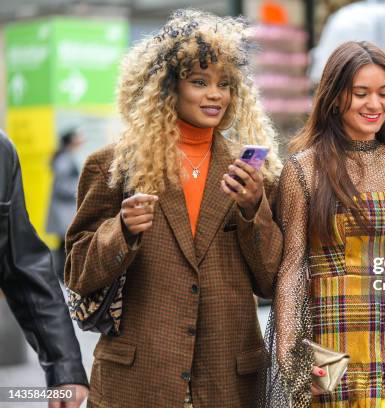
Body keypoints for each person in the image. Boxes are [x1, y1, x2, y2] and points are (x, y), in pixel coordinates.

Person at [64, 10, 283, 408]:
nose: (215, 95)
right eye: (199, 82)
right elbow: (78, 273)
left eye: (224, 84)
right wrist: (122, 230)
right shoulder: (113, 165)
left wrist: (255, 210)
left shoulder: (253, 171)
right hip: (139, 380)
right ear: (167, 88)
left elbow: (271, 282)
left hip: (227, 383)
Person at [263, 42, 385, 407]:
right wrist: (289, 353)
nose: (375, 104)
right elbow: (291, 267)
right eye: (361, 93)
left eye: (384, 93)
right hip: (334, 347)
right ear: (336, 98)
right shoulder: (303, 170)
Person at [0, 130, 89, 408]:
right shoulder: (65, 159)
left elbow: (23, 264)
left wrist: (65, 367)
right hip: (64, 214)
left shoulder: (2, 152)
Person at [47, 129, 84, 281]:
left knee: (63, 243)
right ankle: (60, 275)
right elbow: (62, 186)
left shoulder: (65, 156)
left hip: (63, 210)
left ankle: (60, 274)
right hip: (63, 211)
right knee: (64, 244)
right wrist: (80, 189)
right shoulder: (64, 159)